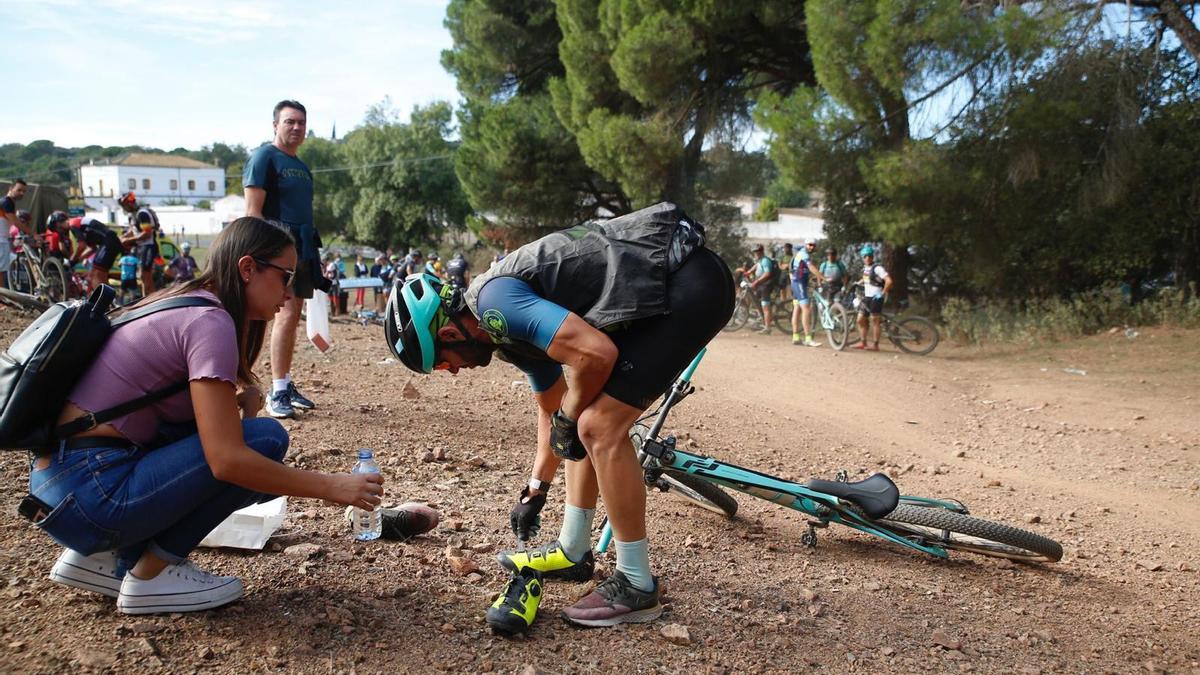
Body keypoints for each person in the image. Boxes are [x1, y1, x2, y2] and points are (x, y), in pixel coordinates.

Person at [385, 202, 733, 627]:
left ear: (449, 333)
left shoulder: (496, 304)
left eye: (442, 363)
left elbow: (595, 353)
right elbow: (553, 409)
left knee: (597, 425)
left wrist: (569, 415)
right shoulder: (503, 333)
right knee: (579, 416)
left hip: (689, 284)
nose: (452, 371)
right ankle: (573, 550)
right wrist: (535, 489)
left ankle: (637, 584)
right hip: (679, 282)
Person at [29, 217, 385, 615]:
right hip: (94, 494)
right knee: (265, 442)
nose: (288, 292)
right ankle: (150, 575)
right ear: (247, 268)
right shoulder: (210, 321)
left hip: (60, 487)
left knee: (254, 444)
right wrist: (332, 487)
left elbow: (167, 421)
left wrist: (243, 407)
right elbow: (226, 458)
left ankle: (104, 559)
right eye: (284, 276)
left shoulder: (177, 300)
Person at [244, 99, 321, 419]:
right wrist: (261, 256)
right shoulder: (264, 157)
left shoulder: (301, 168)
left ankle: (284, 383)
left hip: (302, 246)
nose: (296, 127)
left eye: (301, 122)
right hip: (275, 250)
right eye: (290, 121)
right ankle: (274, 390)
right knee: (266, 317)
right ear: (275, 125)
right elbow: (253, 212)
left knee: (292, 315)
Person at [51, 216, 125, 291]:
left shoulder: (72, 224)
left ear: (58, 224)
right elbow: (92, 248)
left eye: (56, 230)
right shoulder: (81, 226)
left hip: (108, 242)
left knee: (95, 274)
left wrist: (71, 260)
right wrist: (76, 260)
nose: (60, 232)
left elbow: (81, 246)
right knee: (100, 274)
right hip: (111, 241)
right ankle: (110, 299)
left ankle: (104, 300)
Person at [117, 192, 160, 297]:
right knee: (143, 276)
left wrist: (128, 240)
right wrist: (122, 238)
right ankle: (149, 298)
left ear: (130, 204)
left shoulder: (142, 214)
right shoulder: (132, 216)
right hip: (141, 247)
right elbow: (133, 230)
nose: (124, 208)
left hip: (149, 246)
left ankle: (149, 299)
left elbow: (147, 233)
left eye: (124, 206)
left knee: (145, 275)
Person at [854, 245, 893, 352]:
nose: (867, 258)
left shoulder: (878, 268)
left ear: (872, 256)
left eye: (869, 256)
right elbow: (866, 278)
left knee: (875, 321)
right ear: (862, 257)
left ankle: (876, 345)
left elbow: (889, 281)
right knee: (860, 320)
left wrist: (883, 293)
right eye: (865, 256)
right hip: (867, 297)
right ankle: (863, 342)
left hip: (876, 297)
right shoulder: (866, 268)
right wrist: (858, 282)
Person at [790, 238, 826, 347]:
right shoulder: (804, 254)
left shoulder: (803, 253)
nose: (812, 247)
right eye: (810, 245)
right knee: (806, 309)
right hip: (799, 283)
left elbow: (804, 270)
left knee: (797, 309)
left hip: (797, 282)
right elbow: (810, 267)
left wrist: (813, 279)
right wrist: (822, 277)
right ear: (806, 245)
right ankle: (808, 338)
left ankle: (795, 336)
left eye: (813, 245)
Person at [0, 180, 28, 288]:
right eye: (19, 190)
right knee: (1, 272)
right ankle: (1, 302)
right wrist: (34, 234)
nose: (21, 193)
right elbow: (16, 222)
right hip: (1, 241)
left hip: (3, 239)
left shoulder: (6, 202)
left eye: (24, 191)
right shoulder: (7, 202)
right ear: (11, 189)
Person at [747, 244, 778, 334]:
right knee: (757, 302)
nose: (756, 253)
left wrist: (756, 282)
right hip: (761, 285)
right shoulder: (760, 261)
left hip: (766, 285)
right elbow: (755, 267)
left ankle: (767, 328)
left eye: (757, 251)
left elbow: (767, 273)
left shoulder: (765, 261)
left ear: (761, 251)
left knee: (765, 307)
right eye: (754, 252)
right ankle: (762, 321)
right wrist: (747, 273)